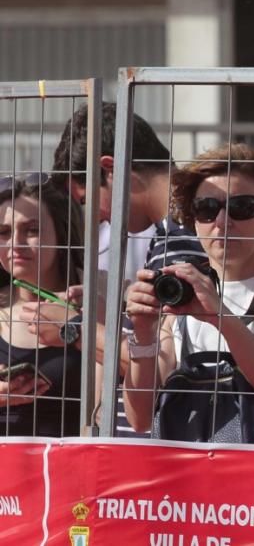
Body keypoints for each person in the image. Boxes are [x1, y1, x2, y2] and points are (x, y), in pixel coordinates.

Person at [122, 143, 254, 445]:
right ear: (192, 220)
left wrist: (219, 317)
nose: (222, 221)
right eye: (206, 209)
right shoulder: (181, 294)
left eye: (242, 207)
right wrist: (142, 337)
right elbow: (140, 418)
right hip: (194, 487)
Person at [46, 101, 206, 438]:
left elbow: (164, 370)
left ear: (110, 170)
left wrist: (77, 328)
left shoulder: (185, 238)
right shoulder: (174, 232)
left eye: (88, 200)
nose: (99, 216)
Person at [0, 173, 84, 436]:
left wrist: (79, 328)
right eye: (3, 232)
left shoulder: (93, 303)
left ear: (62, 233)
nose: (16, 244)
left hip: (67, 469)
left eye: (33, 230)